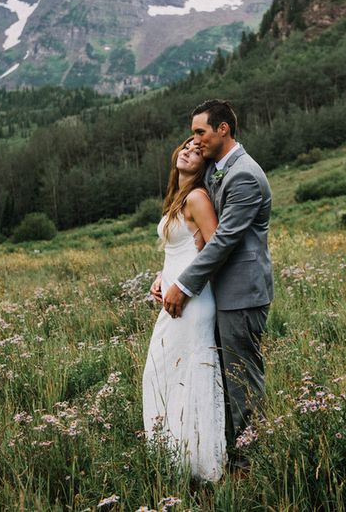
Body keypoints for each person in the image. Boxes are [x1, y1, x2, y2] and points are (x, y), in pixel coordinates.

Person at [161, 99, 273, 468]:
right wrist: (166, 273)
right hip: (219, 292)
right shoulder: (218, 169)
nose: (195, 139)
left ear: (223, 129)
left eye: (200, 132)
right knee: (219, 378)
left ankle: (249, 462)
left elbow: (224, 240)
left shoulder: (244, 175)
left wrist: (184, 284)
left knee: (241, 379)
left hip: (241, 294)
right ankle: (221, 451)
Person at [142, 137, 226, 481]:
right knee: (163, 373)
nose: (191, 149)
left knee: (190, 374)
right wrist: (162, 276)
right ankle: (175, 457)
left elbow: (217, 246)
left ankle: (203, 465)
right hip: (174, 293)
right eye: (186, 146)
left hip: (194, 300)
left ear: (203, 164)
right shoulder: (177, 197)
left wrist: (185, 287)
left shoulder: (197, 197)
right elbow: (179, 250)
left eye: (198, 150)